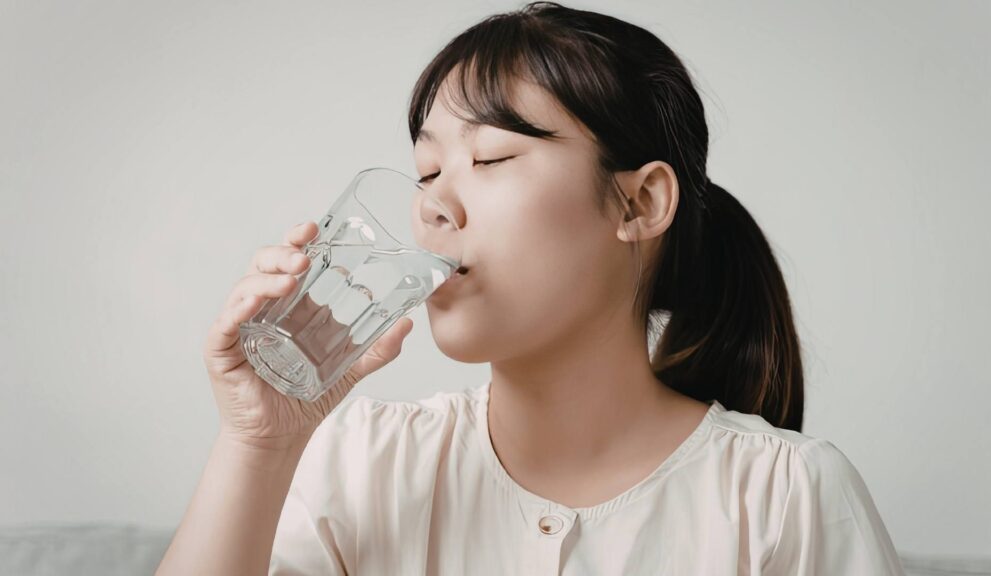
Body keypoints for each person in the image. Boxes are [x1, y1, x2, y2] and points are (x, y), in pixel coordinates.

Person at [157, 2, 906, 574]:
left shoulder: (785, 498)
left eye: (490, 159)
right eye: (426, 172)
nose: (431, 205)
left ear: (639, 203)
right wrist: (258, 445)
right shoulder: (363, 460)